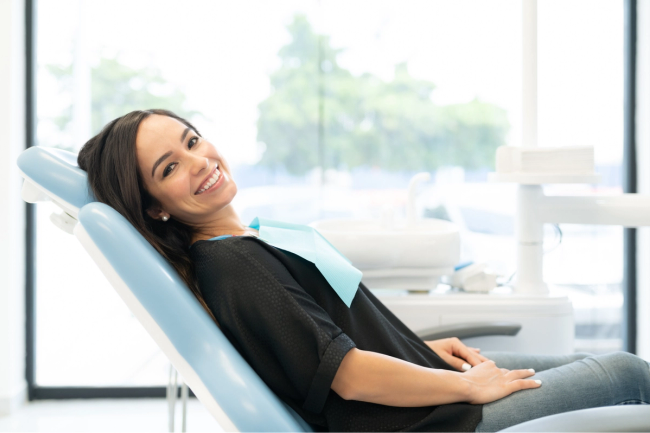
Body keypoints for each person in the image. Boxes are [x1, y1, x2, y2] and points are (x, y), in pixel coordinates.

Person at [77, 109, 650, 433]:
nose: (202, 161)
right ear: (155, 206)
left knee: (607, 367)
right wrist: (465, 385)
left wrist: (425, 346)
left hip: (430, 387)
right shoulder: (232, 264)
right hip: (431, 423)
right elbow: (346, 375)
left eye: (193, 141)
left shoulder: (242, 238)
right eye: (172, 166)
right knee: (627, 373)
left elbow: (331, 335)